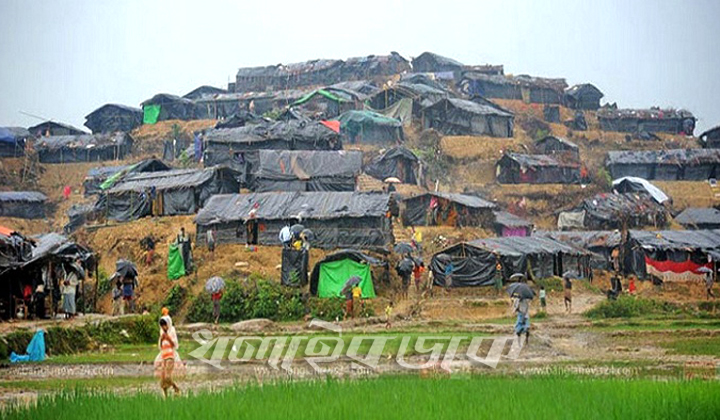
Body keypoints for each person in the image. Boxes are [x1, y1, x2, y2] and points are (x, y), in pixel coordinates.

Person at [156, 318, 180, 397]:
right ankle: (166, 397)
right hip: (164, 357)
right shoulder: (162, 334)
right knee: (162, 379)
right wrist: (162, 339)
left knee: (167, 376)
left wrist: (168, 338)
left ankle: (175, 387)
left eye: (165, 325)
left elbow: (175, 345)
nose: (164, 327)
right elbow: (160, 347)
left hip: (170, 357)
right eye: (162, 326)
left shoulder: (172, 332)